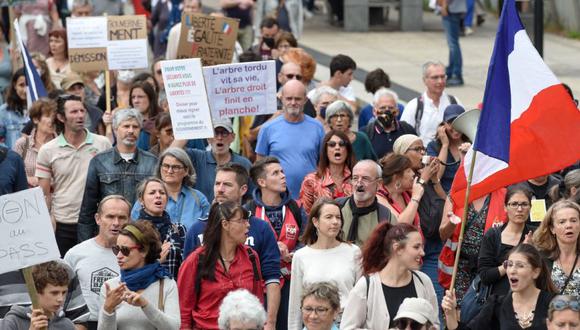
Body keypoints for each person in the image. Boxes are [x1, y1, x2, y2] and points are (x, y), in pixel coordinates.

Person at [183, 163, 281, 329]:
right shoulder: (195, 251)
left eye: (227, 184)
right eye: (217, 184)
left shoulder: (252, 253)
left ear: (243, 189)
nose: (220, 189)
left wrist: (268, 323)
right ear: (225, 224)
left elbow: (260, 297)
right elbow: (184, 309)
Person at [36, 94, 112, 256]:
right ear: (61, 117)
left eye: (82, 111)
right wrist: (48, 219)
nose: (79, 115)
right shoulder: (47, 150)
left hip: (95, 222)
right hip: (63, 224)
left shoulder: (102, 143)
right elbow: (44, 194)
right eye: (73, 112)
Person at [178, 201, 264, 329]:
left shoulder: (251, 257)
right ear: (225, 224)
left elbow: (258, 303)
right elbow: (183, 313)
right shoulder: (195, 261)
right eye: (242, 221)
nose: (248, 225)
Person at [78, 108, 157, 242]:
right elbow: (88, 209)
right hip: (108, 236)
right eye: (126, 126)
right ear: (115, 129)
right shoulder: (99, 162)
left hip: (141, 237)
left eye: (135, 127)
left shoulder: (153, 162)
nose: (131, 130)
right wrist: (85, 244)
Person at [340, 222, 439, 329]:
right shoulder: (366, 286)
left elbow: (434, 324)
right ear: (397, 248)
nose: (422, 253)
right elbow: (347, 327)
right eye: (416, 247)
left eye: (422, 247)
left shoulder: (423, 281)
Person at [248, 156, 307, 330]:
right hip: (258, 283)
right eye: (276, 173)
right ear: (262, 182)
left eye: (282, 171)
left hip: (291, 281)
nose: (283, 176)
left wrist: (295, 253)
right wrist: (270, 249)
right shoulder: (248, 211)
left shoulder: (297, 208)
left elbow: (308, 240)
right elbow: (241, 246)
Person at [442, 244, 557, 330]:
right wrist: (450, 313)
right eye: (509, 265)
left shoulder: (554, 304)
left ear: (536, 272)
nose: (512, 271)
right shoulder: (496, 304)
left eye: (520, 266)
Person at [288, 198, 362, 329]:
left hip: (346, 324)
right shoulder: (301, 256)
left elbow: (362, 298)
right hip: (313, 324)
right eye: (329, 217)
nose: (335, 222)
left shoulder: (354, 252)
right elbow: (295, 305)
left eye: (338, 218)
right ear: (315, 221)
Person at [64, 195, 131, 329]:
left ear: (129, 220)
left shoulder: (134, 255)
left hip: (122, 323)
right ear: (98, 218)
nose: (116, 223)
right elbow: (63, 293)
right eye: (110, 216)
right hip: (84, 324)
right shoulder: (75, 254)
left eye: (122, 217)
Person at [98, 220, 180, 329]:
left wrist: (145, 305)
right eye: (116, 249)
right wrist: (108, 309)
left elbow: (174, 327)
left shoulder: (166, 284)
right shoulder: (111, 287)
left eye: (125, 250)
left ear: (144, 251)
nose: (119, 255)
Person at [256, 79, 325, 200]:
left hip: (310, 198)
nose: (293, 103)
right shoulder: (268, 128)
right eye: (289, 98)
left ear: (305, 100)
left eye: (297, 99)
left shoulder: (317, 127)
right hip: (277, 199)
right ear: (281, 98)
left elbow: (323, 163)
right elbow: (259, 166)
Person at [438, 187, 507, 304]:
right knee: (459, 307)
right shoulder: (456, 195)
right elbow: (443, 235)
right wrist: (452, 223)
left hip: (488, 266)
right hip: (461, 265)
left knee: (482, 308)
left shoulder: (503, 194)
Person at [476, 186, 535, 298]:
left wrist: (532, 253)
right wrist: (518, 256)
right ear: (505, 208)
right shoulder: (492, 235)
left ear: (530, 208)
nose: (519, 209)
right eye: (514, 204)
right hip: (496, 300)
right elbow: (485, 276)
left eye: (524, 204)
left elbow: (540, 273)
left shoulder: (535, 235)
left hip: (527, 299)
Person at [174, 119, 252, 202]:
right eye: (215, 133)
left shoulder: (244, 163)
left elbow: (251, 196)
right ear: (208, 138)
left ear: (233, 137)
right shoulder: (196, 157)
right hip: (201, 214)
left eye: (224, 133)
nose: (219, 137)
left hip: (232, 213)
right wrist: (190, 127)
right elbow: (170, 155)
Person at [132, 147, 210, 229]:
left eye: (175, 167)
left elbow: (209, 228)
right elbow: (133, 231)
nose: (169, 171)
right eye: (166, 166)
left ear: (186, 171)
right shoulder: (147, 198)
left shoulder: (198, 198)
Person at [133, 178, 187, 280]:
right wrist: (157, 262)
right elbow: (130, 269)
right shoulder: (134, 231)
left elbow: (186, 266)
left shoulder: (179, 229)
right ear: (141, 200)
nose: (158, 196)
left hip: (173, 291)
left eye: (162, 193)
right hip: (143, 290)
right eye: (152, 193)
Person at [401, 61, 462, 144]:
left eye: (442, 77)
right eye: (435, 77)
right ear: (424, 80)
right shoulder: (414, 106)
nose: (440, 81)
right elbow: (404, 137)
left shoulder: (454, 102)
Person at [1, 261, 75, 330]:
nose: (60, 299)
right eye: (54, 293)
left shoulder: (67, 325)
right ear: (37, 292)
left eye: (64, 292)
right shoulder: (13, 321)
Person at [340, 160, 396, 247]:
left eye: (365, 178)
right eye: (355, 178)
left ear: (379, 184)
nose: (359, 183)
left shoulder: (386, 218)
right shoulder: (336, 208)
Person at [299, 130, 354, 214]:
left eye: (342, 144)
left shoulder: (357, 179)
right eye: (332, 144)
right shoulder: (310, 181)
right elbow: (305, 216)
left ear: (347, 149)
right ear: (325, 150)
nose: (337, 147)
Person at [533, 200, 580, 296]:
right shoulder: (541, 258)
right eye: (562, 222)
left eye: (573, 220)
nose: (569, 225)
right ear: (552, 229)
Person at [12, 98, 57, 187]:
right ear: (36, 119)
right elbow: (12, 172)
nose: (52, 120)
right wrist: (27, 179)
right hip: (28, 198)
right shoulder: (22, 144)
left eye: (54, 116)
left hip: (55, 198)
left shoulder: (62, 145)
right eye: (48, 116)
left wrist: (45, 181)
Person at [426, 104, 470, 193]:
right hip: (442, 197)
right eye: (451, 122)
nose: (455, 127)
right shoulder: (433, 146)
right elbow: (437, 176)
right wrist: (445, 145)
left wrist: (469, 154)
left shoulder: (471, 144)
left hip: (466, 196)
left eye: (459, 123)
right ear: (443, 125)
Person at [363, 88, 416, 159]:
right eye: (382, 108)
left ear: (397, 111)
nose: (387, 111)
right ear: (374, 111)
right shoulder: (366, 133)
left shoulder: (407, 129)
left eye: (390, 108)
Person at [377, 153, 424, 232]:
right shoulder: (379, 198)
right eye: (408, 171)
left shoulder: (406, 192)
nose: (413, 174)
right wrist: (415, 198)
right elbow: (399, 226)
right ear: (396, 177)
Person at [439, 0, 466, 86]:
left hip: (451, 9)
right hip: (453, 8)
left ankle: (456, 74)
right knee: (453, 44)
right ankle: (451, 71)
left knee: (453, 44)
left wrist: (444, 5)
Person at [129, 81, 162, 150]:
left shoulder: (161, 121)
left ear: (150, 98)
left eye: (140, 97)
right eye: (133, 97)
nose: (136, 101)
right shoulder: (127, 121)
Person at [0, 68, 28, 149]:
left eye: (28, 85)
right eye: (21, 85)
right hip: (13, 158)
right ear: (15, 85)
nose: (25, 90)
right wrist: (9, 155)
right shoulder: (4, 111)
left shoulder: (41, 110)